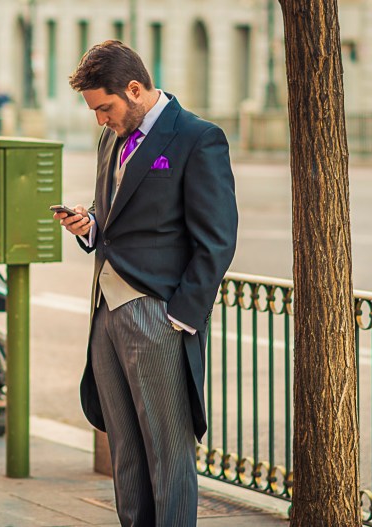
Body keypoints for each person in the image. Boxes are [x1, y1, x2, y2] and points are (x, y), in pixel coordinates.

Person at [55, 40, 238, 526]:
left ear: (134, 89)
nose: (100, 119)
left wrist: (180, 316)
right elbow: (116, 217)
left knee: (168, 455)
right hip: (105, 315)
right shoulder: (112, 138)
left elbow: (217, 241)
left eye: (105, 108)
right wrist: (89, 224)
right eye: (94, 110)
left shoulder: (198, 138)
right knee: (127, 454)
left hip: (158, 316)